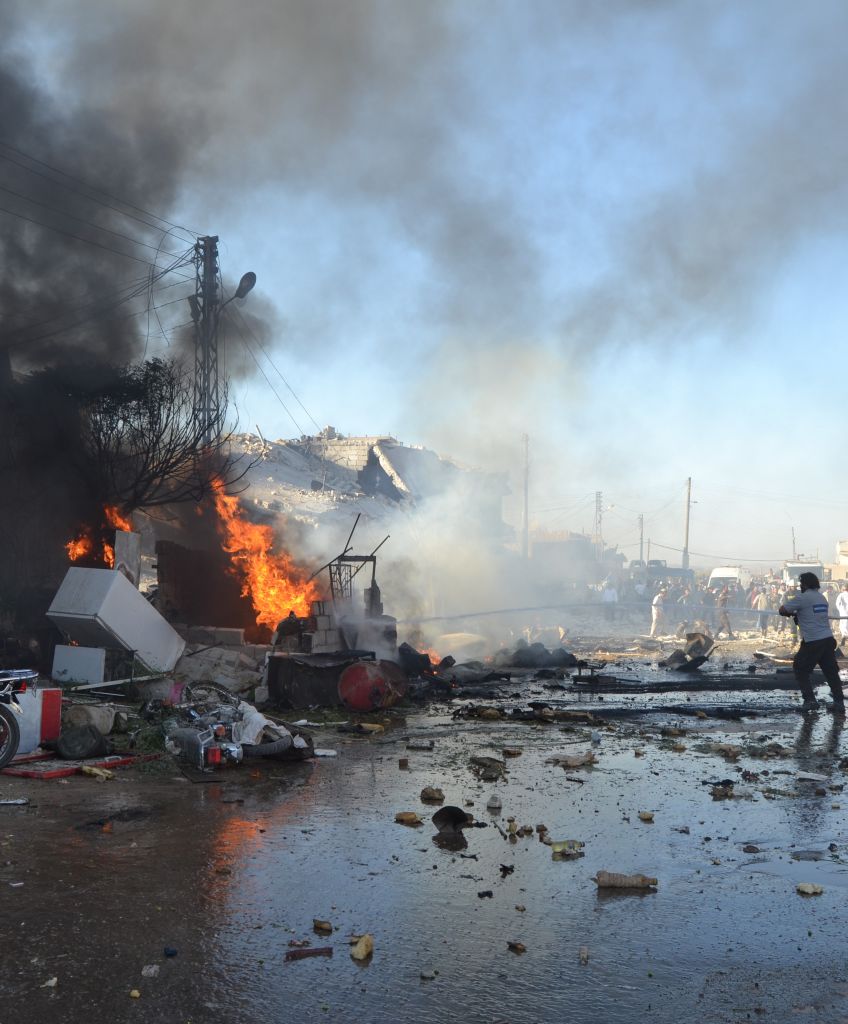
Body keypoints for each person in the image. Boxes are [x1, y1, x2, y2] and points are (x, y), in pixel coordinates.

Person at [779, 571, 844, 714]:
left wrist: (793, 613)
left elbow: (782, 609)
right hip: (827, 639)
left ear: (806, 584)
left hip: (813, 641)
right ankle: (839, 703)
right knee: (831, 672)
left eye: (801, 583)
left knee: (800, 668)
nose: (800, 586)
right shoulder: (822, 598)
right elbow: (812, 616)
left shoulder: (802, 598)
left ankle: (810, 701)